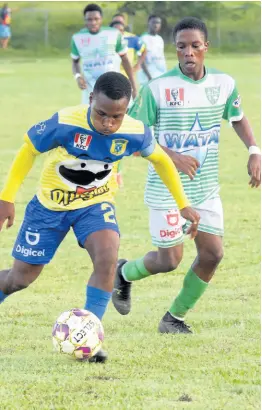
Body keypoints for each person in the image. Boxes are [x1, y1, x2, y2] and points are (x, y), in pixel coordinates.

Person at [0, 72, 200, 362]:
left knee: (107, 256)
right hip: (49, 208)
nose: (108, 123)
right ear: (91, 99)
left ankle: (88, 337)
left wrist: (182, 203)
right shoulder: (66, 123)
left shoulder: (134, 131)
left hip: (95, 204)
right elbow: (29, 150)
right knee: (20, 279)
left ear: (127, 110)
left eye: (116, 117)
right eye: (102, 114)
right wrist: (6, 197)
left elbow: (160, 160)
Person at [112, 17, 261, 334]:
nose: (188, 53)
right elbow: (134, 139)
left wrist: (253, 150)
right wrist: (172, 156)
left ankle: (173, 319)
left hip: (205, 189)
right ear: (175, 49)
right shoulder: (158, 89)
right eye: (182, 47)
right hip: (166, 190)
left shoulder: (223, 84)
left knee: (213, 254)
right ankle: (123, 273)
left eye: (195, 46)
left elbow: (236, 116)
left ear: (206, 46)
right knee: (169, 261)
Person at [71, 4, 137, 105]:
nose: (93, 22)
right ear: (85, 20)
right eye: (89, 19)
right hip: (90, 90)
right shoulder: (77, 38)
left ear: (101, 19)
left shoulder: (114, 34)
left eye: (96, 19)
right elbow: (75, 62)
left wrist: (133, 87)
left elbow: (125, 60)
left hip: (114, 86)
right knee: (90, 119)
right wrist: (78, 76)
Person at [137, 15, 167, 87]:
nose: (156, 25)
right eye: (154, 22)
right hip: (147, 78)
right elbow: (141, 60)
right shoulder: (143, 39)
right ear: (148, 23)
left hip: (160, 76)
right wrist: (149, 77)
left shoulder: (160, 39)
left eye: (158, 23)